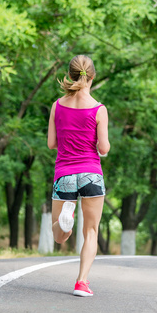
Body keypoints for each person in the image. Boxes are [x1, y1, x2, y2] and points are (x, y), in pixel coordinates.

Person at [47, 55, 110, 297]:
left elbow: (52, 143)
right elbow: (103, 148)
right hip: (91, 174)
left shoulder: (57, 105)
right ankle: (81, 282)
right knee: (91, 232)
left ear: (71, 75)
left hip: (64, 174)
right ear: (92, 77)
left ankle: (65, 218)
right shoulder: (98, 109)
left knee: (60, 236)